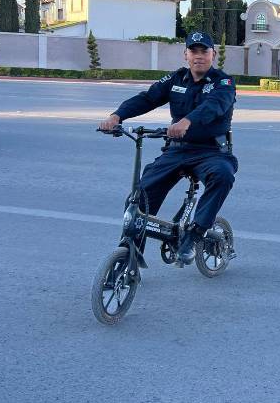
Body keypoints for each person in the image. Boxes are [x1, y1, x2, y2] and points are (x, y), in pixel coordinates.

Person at [98, 30, 237, 265]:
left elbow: (215, 105)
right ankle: (130, 256)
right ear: (186, 54)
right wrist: (117, 116)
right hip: (177, 150)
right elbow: (148, 98)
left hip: (210, 151)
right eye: (194, 51)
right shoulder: (175, 79)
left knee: (223, 175)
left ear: (213, 54)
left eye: (205, 51)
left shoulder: (223, 82)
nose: (199, 56)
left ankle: (195, 234)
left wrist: (187, 121)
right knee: (140, 196)